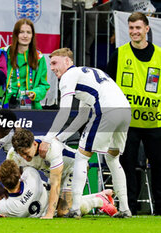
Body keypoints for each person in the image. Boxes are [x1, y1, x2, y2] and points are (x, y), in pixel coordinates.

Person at [40, 48, 131, 218]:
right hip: (125, 111)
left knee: (82, 156)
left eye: (55, 63)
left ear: (67, 61)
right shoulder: (88, 74)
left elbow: (65, 111)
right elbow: (82, 117)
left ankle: (74, 209)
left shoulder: (68, 76)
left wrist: (47, 139)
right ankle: (125, 209)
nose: (52, 68)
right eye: (50, 63)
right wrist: (59, 138)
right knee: (113, 158)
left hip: (107, 110)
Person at [106, 12, 161, 216]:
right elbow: (106, 85)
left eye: (138, 28)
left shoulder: (160, 56)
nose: (134, 32)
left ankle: (160, 210)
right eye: (131, 28)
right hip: (126, 123)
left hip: (155, 123)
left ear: (147, 29)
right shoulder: (119, 55)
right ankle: (128, 208)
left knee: (159, 167)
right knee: (126, 166)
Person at [0, 160, 117, 218]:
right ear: (19, 175)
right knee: (65, 208)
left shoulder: (6, 206)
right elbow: (26, 167)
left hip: (47, 210)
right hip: (52, 200)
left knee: (67, 211)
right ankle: (100, 196)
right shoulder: (31, 175)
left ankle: (98, 201)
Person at [2, 18, 50, 109]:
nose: (25, 36)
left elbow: (43, 84)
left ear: (32, 36)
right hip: (6, 103)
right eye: (21, 32)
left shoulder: (39, 57)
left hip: (30, 105)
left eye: (28, 32)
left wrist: (35, 92)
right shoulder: (4, 53)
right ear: (16, 34)